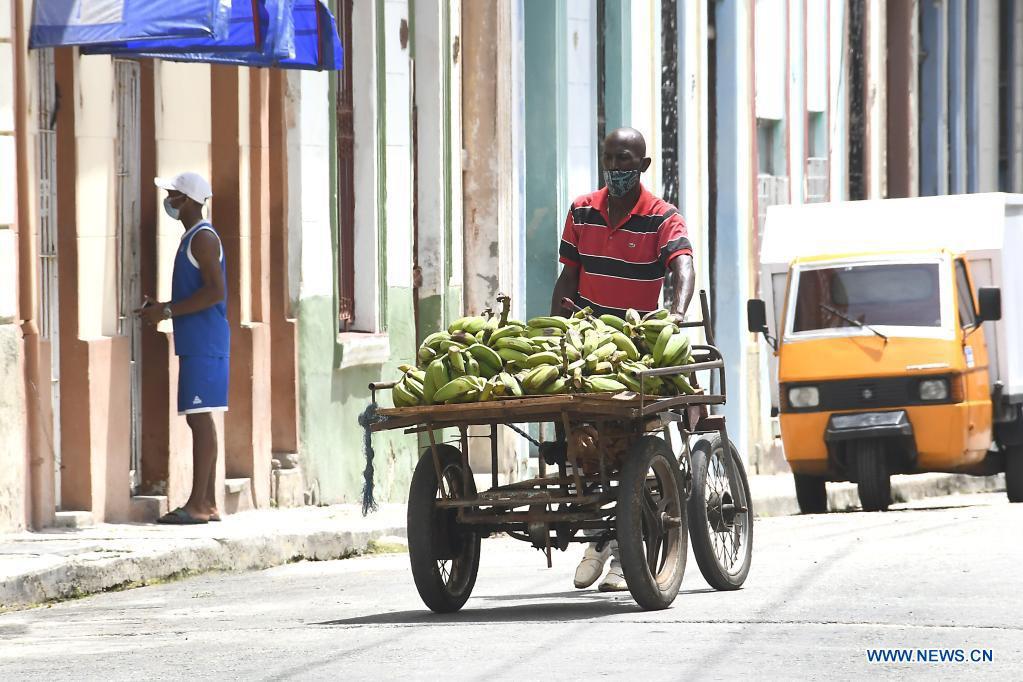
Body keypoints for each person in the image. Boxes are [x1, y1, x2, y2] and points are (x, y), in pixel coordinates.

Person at [552, 127, 695, 590]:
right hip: (588, 345)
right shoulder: (581, 211)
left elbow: (682, 267)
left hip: (635, 343)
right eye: (610, 159)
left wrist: (674, 314)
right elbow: (567, 281)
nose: (617, 168)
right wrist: (555, 335)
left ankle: (623, 550)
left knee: (636, 439)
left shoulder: (662, 217)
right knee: (583, 440)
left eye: (626, 160)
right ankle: (600, 533)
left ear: (644, 166)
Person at [138, 172, 230, 525]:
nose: (170, 202)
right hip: (198, 340)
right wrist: (163, 306)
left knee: (199, 418)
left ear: (189, 200)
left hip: (205, 341)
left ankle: (198, 504)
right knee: (201, 418)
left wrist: (168, 310)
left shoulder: (203, 239)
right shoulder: (193, 238)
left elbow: (214, 292)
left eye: (175, 195)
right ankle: (207, 502)